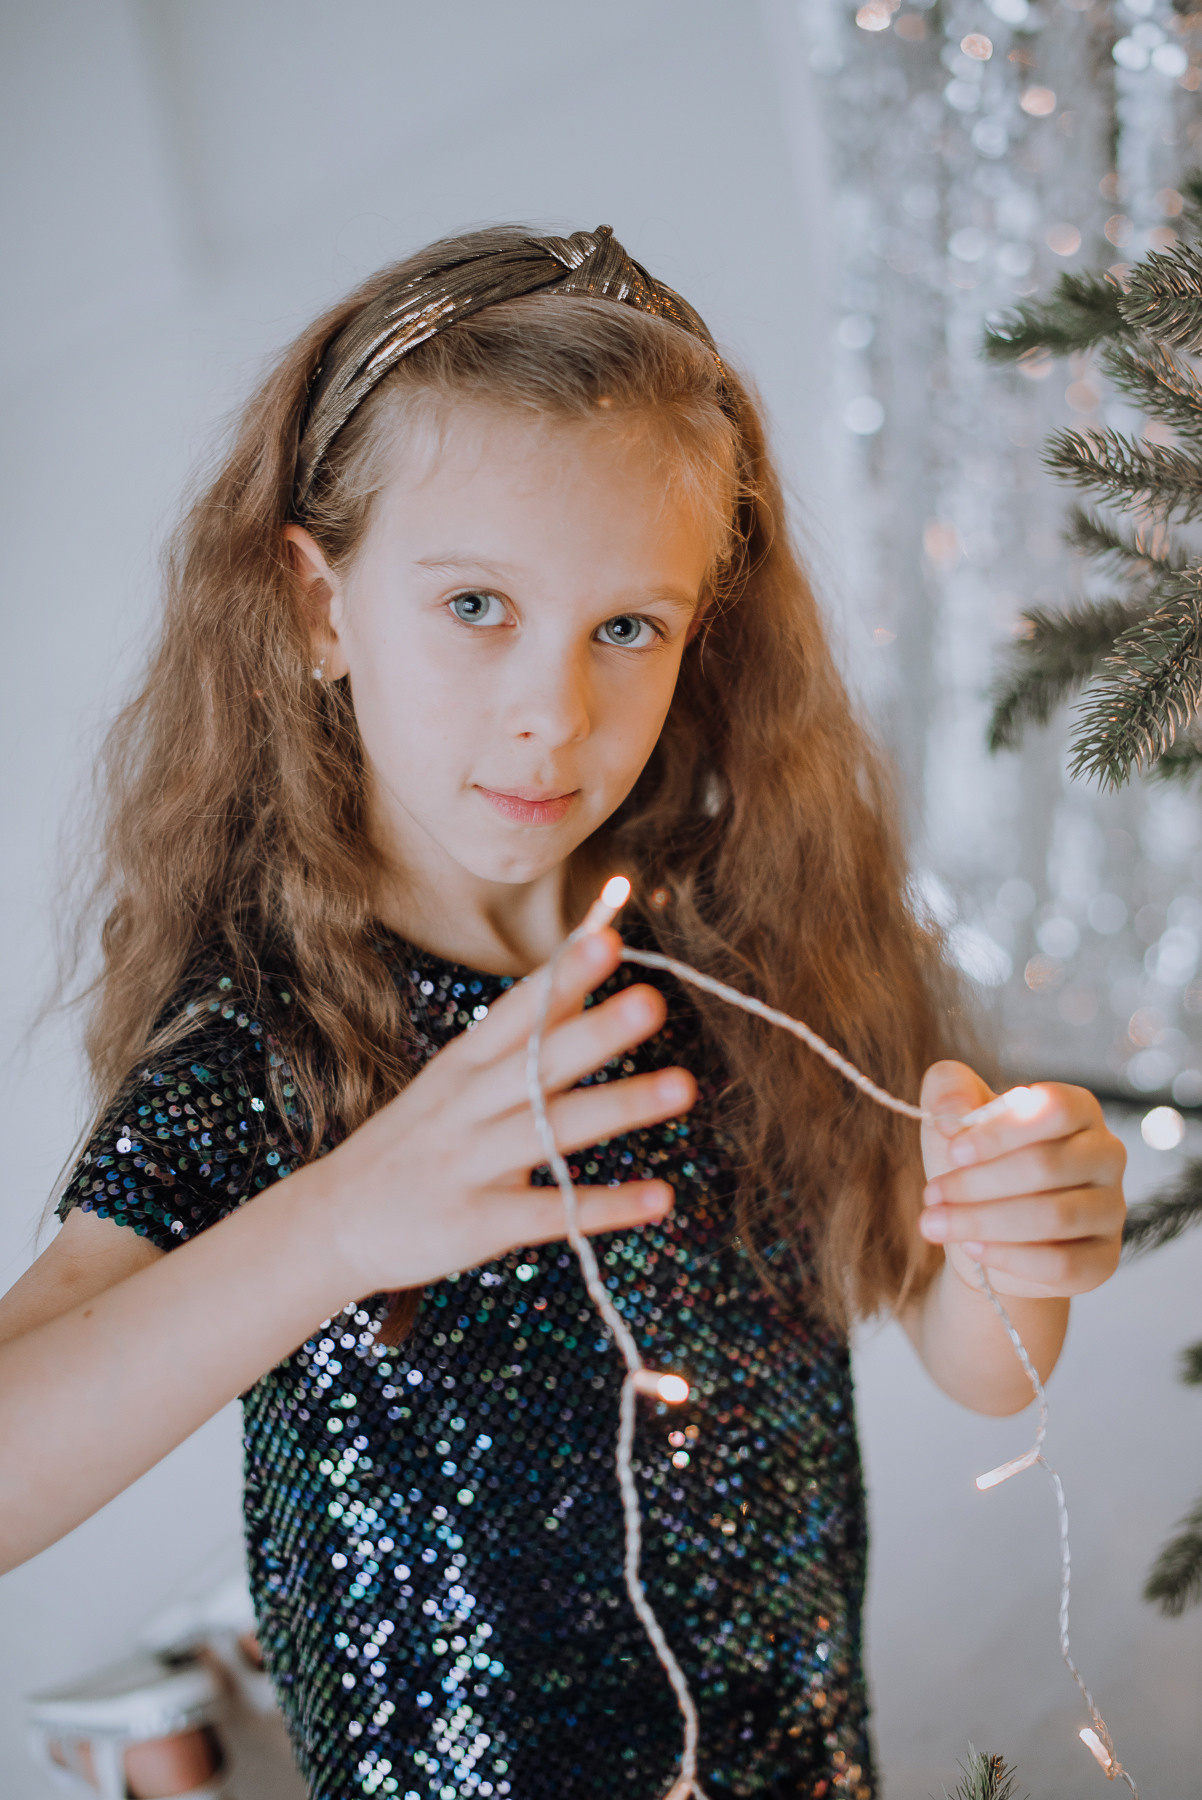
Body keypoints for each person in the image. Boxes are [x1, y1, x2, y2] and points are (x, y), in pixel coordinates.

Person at [0, 225, 1127, 1800]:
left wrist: (1016, 1243)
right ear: (318, 608)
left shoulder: (743, 954)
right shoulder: (274, 1045)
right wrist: (337, 1225)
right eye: (475, 605)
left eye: (626, 628)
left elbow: (977, 1363)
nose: (554, 710)